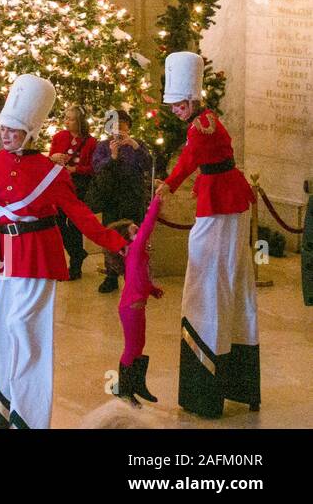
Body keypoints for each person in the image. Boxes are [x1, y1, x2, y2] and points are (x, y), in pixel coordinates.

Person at [0, 74, 129, 429]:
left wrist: (114, 241)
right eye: (4, 128)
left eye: (14, 130)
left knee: (25, 331)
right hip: (3, 255)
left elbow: (80, 214)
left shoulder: (51, 173)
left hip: (38, 257)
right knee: (6, 332)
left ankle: (30, 415)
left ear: (30, 133)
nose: (6, 135)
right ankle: (7, 407)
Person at [156, 51, 260, 418]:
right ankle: (239, 382)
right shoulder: (207, 120)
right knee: (229, 278)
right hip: (228, 198)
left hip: (221, 204)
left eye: (179, 104)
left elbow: (188, 162)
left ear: (191, 100)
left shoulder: (200, 127)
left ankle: (207, 386)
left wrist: (168, 185)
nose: (175, 110)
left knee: (208, 282)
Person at [109, 192, 164, 407]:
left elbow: (138, 278)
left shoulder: (136, 253)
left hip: (136, 306)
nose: (139, 230)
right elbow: (148, 226)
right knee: (132, 347)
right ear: (127, 238)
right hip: (131, 307)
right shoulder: (135, 250)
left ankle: (136, 384)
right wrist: (156, 202)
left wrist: (152, 290)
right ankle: (123, 389)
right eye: (134, 230)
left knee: (139, 344)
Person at [90, 109, 153, 293]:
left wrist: (134, 146)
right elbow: (97, 167)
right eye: (114, 124)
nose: (119, 127)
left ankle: (135, 276)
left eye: (122, 123)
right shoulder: (103, 146)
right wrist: (113, 157)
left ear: (129, 126)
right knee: (110, 236)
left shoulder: (137, 144)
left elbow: (148, 164)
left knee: (135, 236)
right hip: (111, 198)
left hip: (133, 197)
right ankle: (111, 276)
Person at [48, 103, 97, 280]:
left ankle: (75, 267)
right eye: (66, 118)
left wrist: (76, 170)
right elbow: (49, 159)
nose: (66, 122)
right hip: (61, 185)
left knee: (75, 224)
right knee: (59, 221)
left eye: (70, 119)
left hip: (80, 186)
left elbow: (93, 167)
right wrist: (53, 158)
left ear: (80, 121)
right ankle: (78, 252)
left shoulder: (91, 142)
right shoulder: (59, 136)